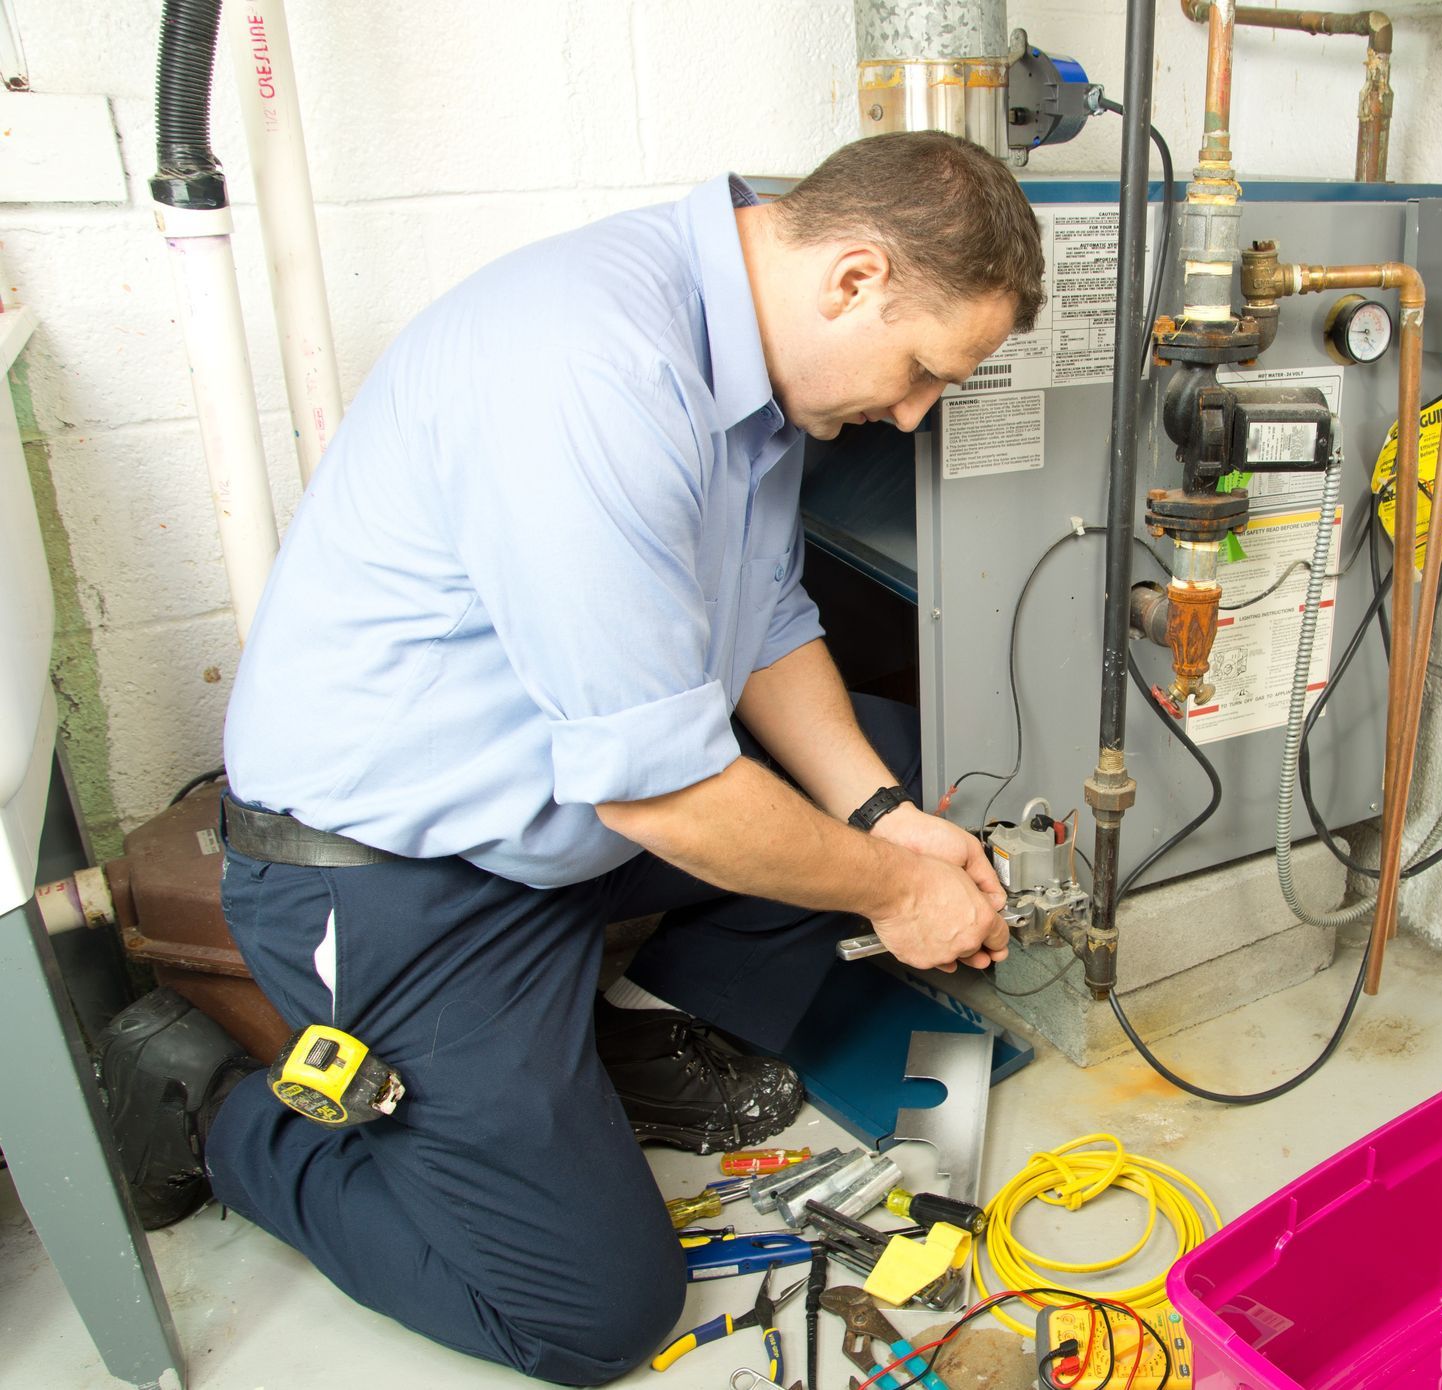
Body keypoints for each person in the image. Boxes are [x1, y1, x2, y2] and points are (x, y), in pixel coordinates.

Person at [100, 130, 1044, 1384]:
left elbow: (760, 622)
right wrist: (896, 888)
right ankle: (219, 1112)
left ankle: (644, 1040)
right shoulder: (589, 367)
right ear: (855, 277)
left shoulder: (751, 375)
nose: (916, 411)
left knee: (892, 757)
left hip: (568, 823)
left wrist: (881, 817)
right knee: (591, 1315)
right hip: (396, 880)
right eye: (927, 370)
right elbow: (665, 792)